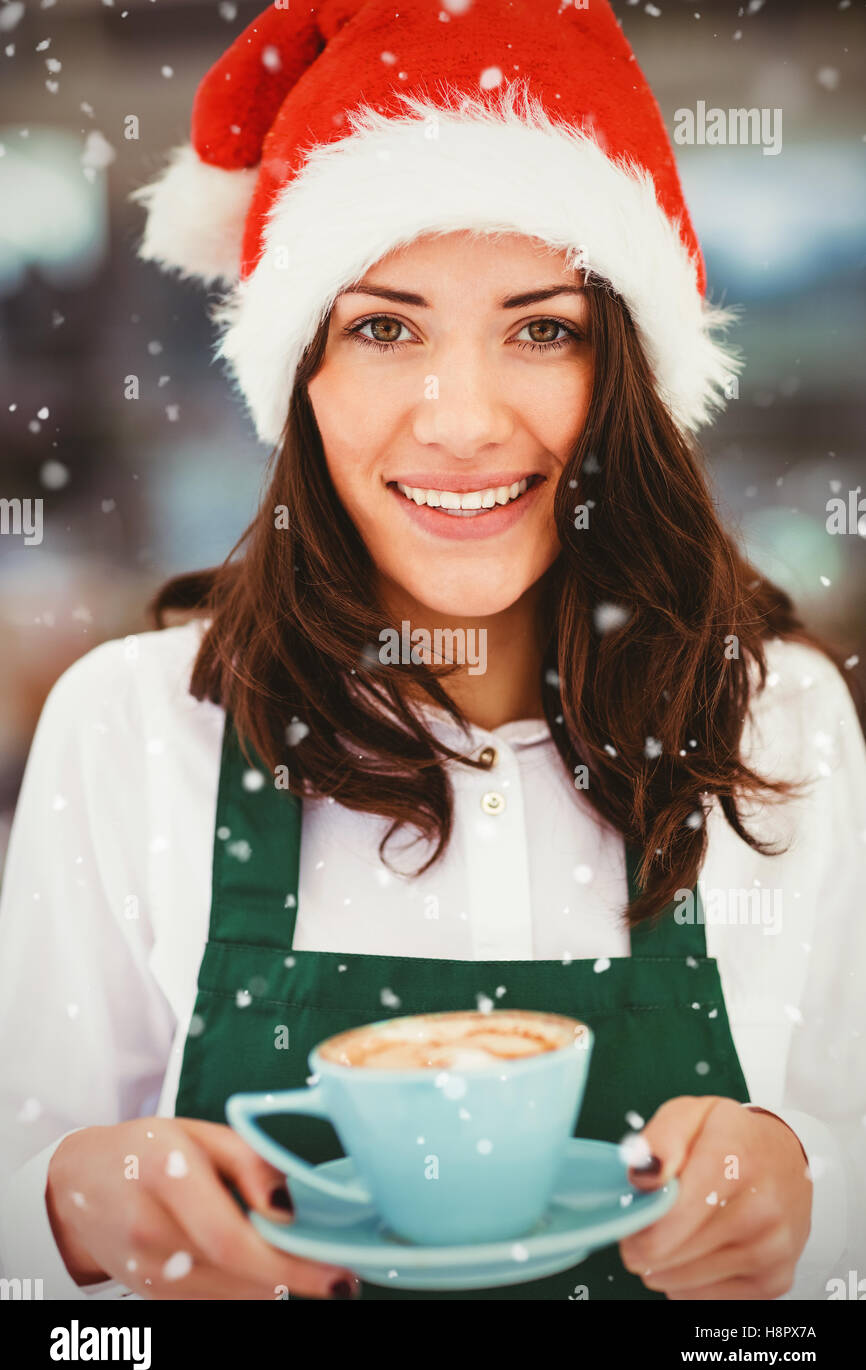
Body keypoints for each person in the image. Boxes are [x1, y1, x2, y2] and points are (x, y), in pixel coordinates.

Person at [1, 0, 864, 1303]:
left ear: (624, 371)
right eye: (383, 327)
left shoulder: (772, 720)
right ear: (301, 376)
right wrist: (67, 1202)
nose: (458, 420)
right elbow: (24, 1185)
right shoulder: (129, 728)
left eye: (541, 327)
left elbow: (847, 1176)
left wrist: (810, 1188)